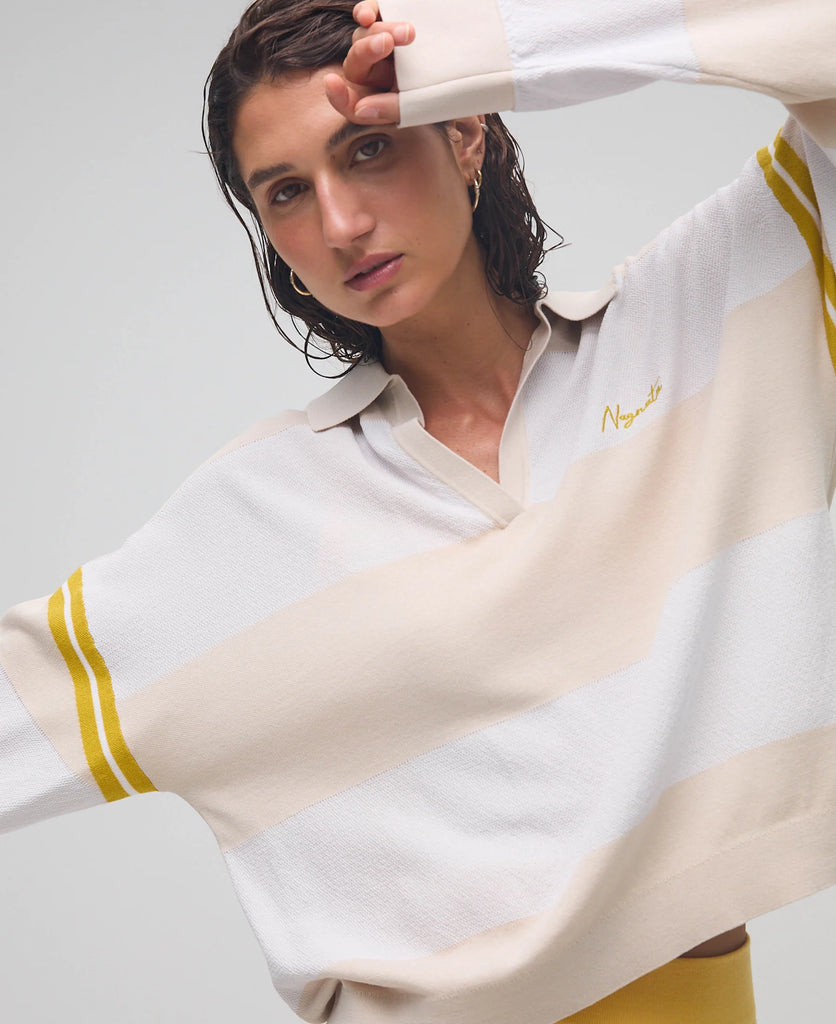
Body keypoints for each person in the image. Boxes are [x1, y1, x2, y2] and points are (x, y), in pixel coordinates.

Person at [1, 0, 834, 1021]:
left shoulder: (703, 317)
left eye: (368, 148)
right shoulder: (254, 518)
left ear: (464, 131)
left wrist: (496, 49)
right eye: (285, 192)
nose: (339, 224)